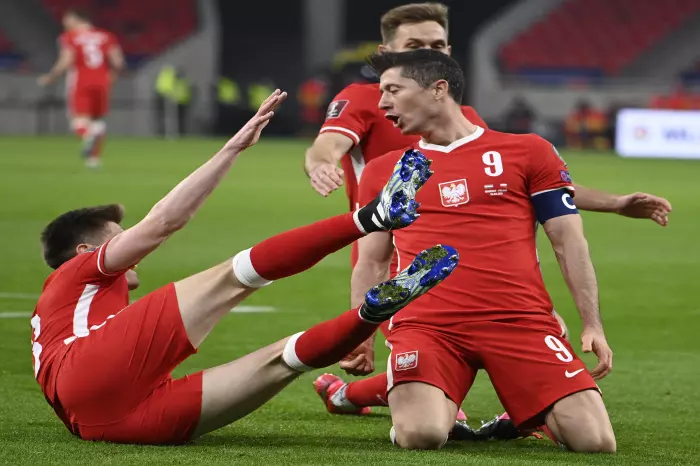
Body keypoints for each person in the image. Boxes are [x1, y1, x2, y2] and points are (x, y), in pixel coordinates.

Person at [309, 2, 672, 432]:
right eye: (416, 45)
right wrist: (322, 162)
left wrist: (613, 203)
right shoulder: (365, 105)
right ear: (390, 49)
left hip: (494, 285)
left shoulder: (486, 130)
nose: (432, 51)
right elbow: (328, 143)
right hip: (398, 262)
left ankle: (516, 404)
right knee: (430, 419)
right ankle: (361, 393)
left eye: (438, 44)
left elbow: (529, 189)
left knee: (577, 429)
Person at [29, 89, 456, 445]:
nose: (128, 246)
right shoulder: (78, 271)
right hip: (84, 371)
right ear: (85, 250)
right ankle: (375, 217)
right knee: (235, 276)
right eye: (116, 235)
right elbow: (163, 222)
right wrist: (232, 148)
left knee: (283, 360)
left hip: (104, 425)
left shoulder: (63, 310)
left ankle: (370, 312)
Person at [346, 48, 620, 452]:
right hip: (428, 327)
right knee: (421, 435)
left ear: (438, 89)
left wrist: (591, 324)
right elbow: (371, 260)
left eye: (393, 90)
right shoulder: (384, 170)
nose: (382, 102)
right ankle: (387, 399)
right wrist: (360, 334)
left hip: (519, 321)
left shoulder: (529, 151)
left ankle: (524, 415)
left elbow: (568, 242)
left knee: (595, 442)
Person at [38, 8, 124, 168]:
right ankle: (93, 160)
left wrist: (51, 77)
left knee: (79, 122)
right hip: (103, 82)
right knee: (97, 122)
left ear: (75, 18)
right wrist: (114, 76)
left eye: (67, 19)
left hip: (81, 82)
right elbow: (118, 62)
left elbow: (67, 60)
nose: (65, 23)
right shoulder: (106, 36)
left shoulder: (70, 37)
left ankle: (89, 137)